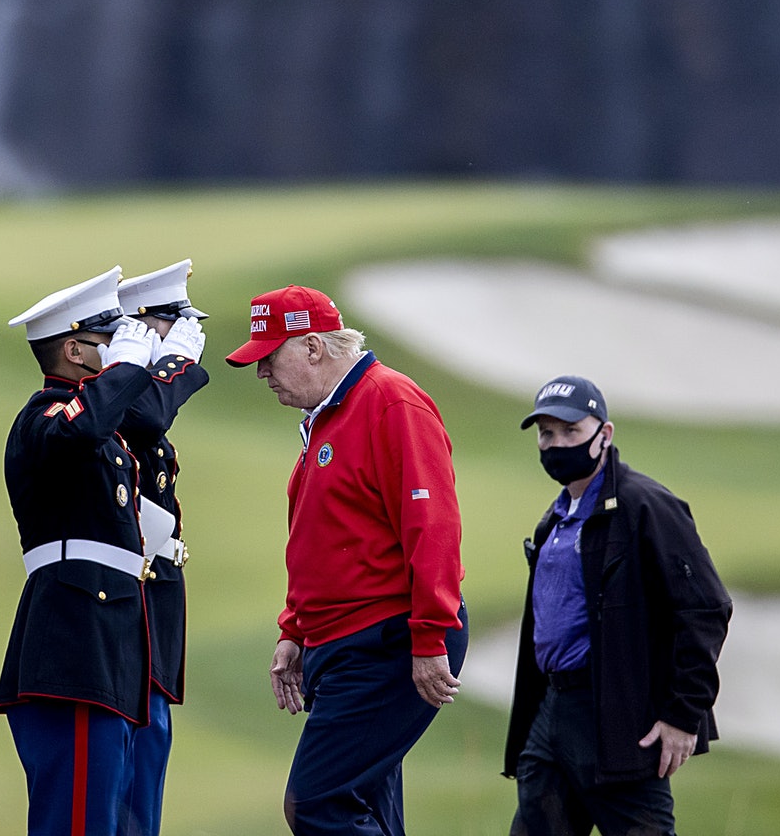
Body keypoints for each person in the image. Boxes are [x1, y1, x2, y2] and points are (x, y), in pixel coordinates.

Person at [225, 284, 467, 836]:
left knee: (316, 804)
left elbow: (432, 528)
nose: (262, 373)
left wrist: (430, 637)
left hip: (387, 640)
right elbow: (322, 538)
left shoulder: (390, 402)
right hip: (342, 642)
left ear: (313, 347)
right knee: (367, 807)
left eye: (269, 357)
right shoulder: (327, 418)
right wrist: (295, 629)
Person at [505, 376, 732, 836]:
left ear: (604, 434)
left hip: (618, 717)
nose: (556, 443)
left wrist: (682, 715)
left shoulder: (646, 505)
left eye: (571, 431)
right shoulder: (556, 516)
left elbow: (705, 609)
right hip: (552, 712)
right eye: (546, 434)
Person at [0, 267, 163, 836]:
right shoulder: (43, 418)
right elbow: (80, 425)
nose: (122, 348)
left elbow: (142, 416)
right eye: (108, 339)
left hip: (106, 643)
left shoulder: (98, 422)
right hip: (74, 642)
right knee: (76, 822)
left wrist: (156, 367)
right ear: (73, 349)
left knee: (111, 817)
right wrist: (128, 370)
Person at [113, 261, 210, 836]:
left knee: (145, 778)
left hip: (155, 601)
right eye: (172, 325)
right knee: (124, 783)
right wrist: (171, 366)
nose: (186, 336)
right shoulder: (117, 404)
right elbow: (142, 416)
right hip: (127, 600)